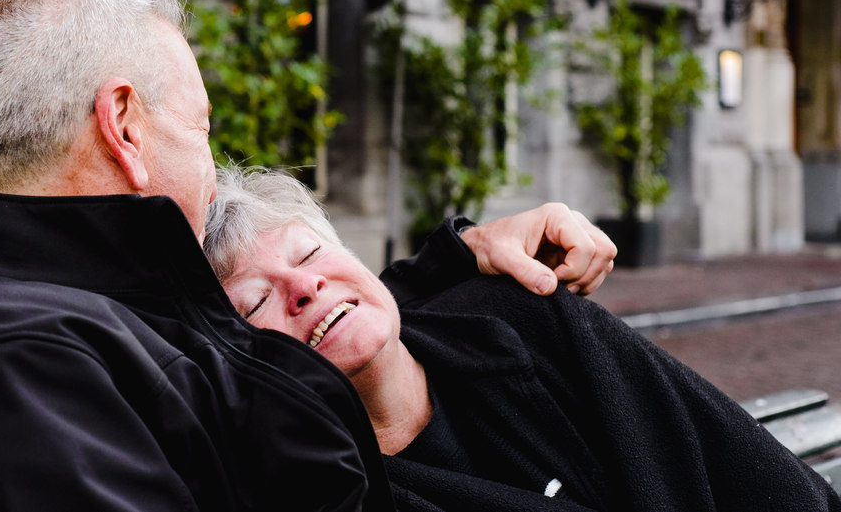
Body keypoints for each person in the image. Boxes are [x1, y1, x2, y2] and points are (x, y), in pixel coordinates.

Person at [0, 0, 616, 511]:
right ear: (126, 127)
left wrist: (453, 263)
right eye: (200, 127)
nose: (213, 173)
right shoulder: (8, 375)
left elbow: (257, 362)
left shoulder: (74, 330)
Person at [204, 165, 841, 512]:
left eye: (311, 251)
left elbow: (739, 462)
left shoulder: (519, 319)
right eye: (256, 300)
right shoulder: (334, 493)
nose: (304, 286)